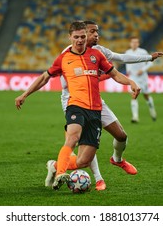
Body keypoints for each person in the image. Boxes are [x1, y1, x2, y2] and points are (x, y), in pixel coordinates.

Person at [15, 21, 141, 191]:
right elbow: (45, 77)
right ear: (70, 37)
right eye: (76, 37)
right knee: (72, 137)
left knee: (83, 161)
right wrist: (25, 94)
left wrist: (131, 82)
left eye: (83, 36)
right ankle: (60, 174)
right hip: (75, 105)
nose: (80, 40)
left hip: (95, 109)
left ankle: (55, 165)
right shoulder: (64, 58)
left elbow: (115, 75)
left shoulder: (97, 56)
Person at [46, 20, 163, 191]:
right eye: (93, 32)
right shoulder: (68, 54)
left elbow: (121, 58)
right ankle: (98, 178)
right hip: (73, 101)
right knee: (83, 141)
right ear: (83, 33)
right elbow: (66, 82)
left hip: (95, 100)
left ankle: (117, 160)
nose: (97, 35)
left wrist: (149, 57)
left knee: (121, 135)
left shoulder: (99, 52)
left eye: (97, 32)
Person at [125, 37, 157, 123]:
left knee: (146, 95)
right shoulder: (128, 52)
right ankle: (135, 117)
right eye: (133, 42)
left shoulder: (143, 52)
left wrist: (142, 70)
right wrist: (128, 70)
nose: (134, 44)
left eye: (136, 42)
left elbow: (151, 63)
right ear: (130, 43)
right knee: (133, 95)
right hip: (133, 77)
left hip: (143, 78)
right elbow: (126, 61)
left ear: (138, 44)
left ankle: (152, 111)